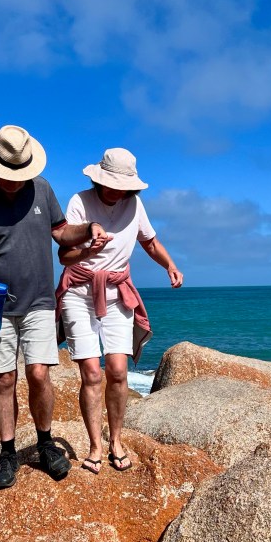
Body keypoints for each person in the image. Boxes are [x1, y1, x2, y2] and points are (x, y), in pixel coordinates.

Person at [0, 125, 110, 490]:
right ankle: (7, 452)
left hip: (39, 299)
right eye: (9, 175)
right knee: (4, 379)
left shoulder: (43, 188)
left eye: (20, 175)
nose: (15, 182)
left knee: (39, 373)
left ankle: (44, 443)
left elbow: (61, 232)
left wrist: (88, 229)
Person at [55, 148, 182, 474]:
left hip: (116, 294)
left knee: (118, 371)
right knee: (92, 374)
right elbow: (64, 257)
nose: (116, 190)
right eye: (110, 183)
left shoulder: (135, 205)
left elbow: (150, 242)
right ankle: (96, 445)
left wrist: (170, 265)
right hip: (79, 293)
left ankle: (116, 440)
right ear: (98, 179)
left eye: (122, 185)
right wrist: (86, 249)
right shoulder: (80, 202)